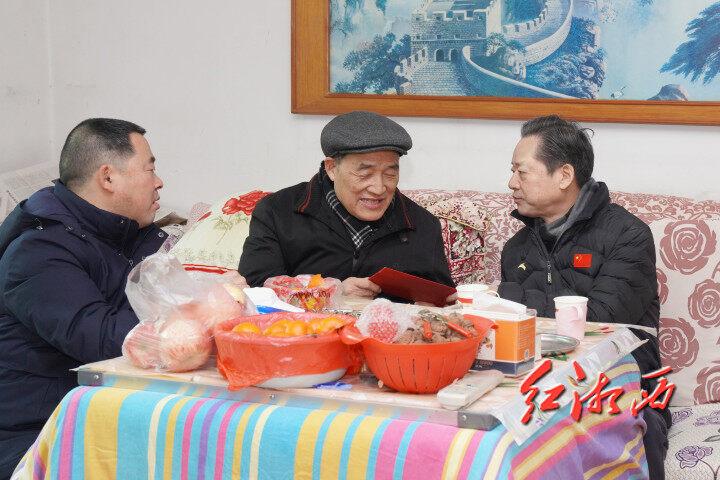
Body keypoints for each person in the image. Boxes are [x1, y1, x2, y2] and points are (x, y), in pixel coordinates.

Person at [498, 115, 669, 479]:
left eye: (521, 172)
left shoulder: (628, 235)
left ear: (564, 175)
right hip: (540, 388)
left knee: (636, 427)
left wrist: (509, 296)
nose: (511, 183)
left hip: (624, 383)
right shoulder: (516, 249)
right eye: (512, 172)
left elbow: (601, 322)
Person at [0, 118, 166, 478]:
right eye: (150, 169)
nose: (159, 182)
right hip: (34, 436)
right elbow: (104, 341)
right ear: (108, 178)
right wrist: (191, 313)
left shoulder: (130, 237)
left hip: (97, 419)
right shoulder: (39, 251)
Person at [240, 110, 454, 299]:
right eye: (365, 173)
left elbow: (443, 300)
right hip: (305, 330)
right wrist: (331, 292)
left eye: (390, 173)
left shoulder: (422, 224)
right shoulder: (277, 212)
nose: (379, 188)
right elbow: (253, 291)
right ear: (332, 168)